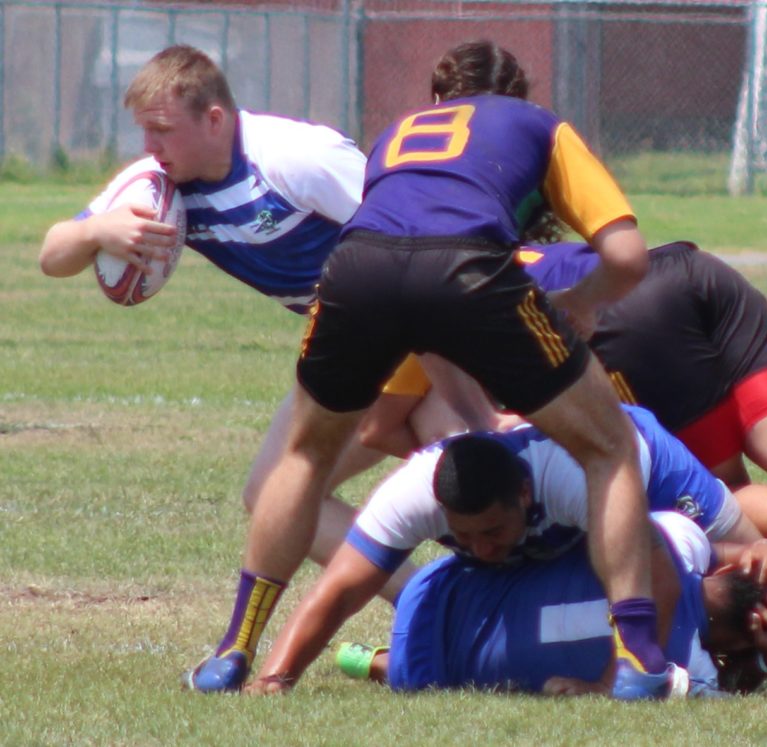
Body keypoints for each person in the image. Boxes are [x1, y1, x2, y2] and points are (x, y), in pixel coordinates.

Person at [184, 40, 667, 698]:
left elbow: (411, 276)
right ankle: (638, 659)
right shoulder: (539, 125)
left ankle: (233, 651)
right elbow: (629, 256)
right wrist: (579, 304)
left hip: (356, 268)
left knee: (301, 456)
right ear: (517, 97)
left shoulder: (396, 135)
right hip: (466, 262)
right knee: (609, 445)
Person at [358, 239, 767, 640]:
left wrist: (462, 448)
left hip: (620, 326)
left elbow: (378, 425)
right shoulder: (492, 243)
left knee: (714, 492)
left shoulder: (430, 299)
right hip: (691, 272)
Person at [35, 44, 417, 675]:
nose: (151, 147)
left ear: (215, 120)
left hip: (409, 338)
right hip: (338, 351)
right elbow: (52, 254)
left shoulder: (294, 157)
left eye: (163, 130)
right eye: (145, 132)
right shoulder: (161, 186)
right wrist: (95, 233)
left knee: (299, 489)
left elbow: (416, 232)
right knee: (272, 495)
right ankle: (426, 596)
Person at [242, 422, 767, 694]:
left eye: (493, 530)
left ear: (525, 498)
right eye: (466, 535)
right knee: (476, 639)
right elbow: (339, 588)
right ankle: (381, 660)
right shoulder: (413, 496)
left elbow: (650, 566)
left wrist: (611, 681)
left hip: (642, 458)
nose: (481, 547)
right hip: (503, 575)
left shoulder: (574, 479)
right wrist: (275, 678)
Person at [259, 512, 767, 697]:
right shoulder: (684, 671)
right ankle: (364, 660)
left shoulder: (672, 538)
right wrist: (765, 666)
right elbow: (713, 686)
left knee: (396, 579)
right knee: (401, 641)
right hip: (430, 665)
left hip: (448, 588)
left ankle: (354, 645)